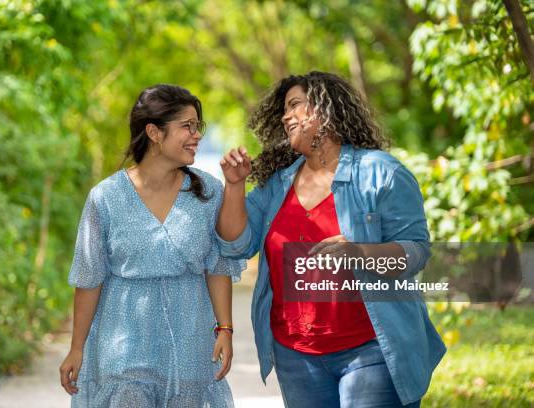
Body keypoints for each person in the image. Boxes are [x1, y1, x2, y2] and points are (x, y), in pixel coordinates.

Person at [216, 71, 446, 407]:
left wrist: (359, 252)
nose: (285, 115)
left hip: (371, 349)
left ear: (325, 109)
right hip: (297, 357)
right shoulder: (277, 186)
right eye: (283, 109)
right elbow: (236, 244)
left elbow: (416, 253)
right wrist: (234, 186)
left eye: (295, 105)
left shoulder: (382, 173)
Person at [59, 84, 244, 407]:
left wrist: (225, 328)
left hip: (190, 344)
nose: (196, 135)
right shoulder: (105, 198)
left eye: (197, 126)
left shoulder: (209, 193)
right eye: (186, 126)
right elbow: (89, 278)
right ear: (154, 133)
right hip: (123, 344)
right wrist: (77, 347)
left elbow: (217, 266)